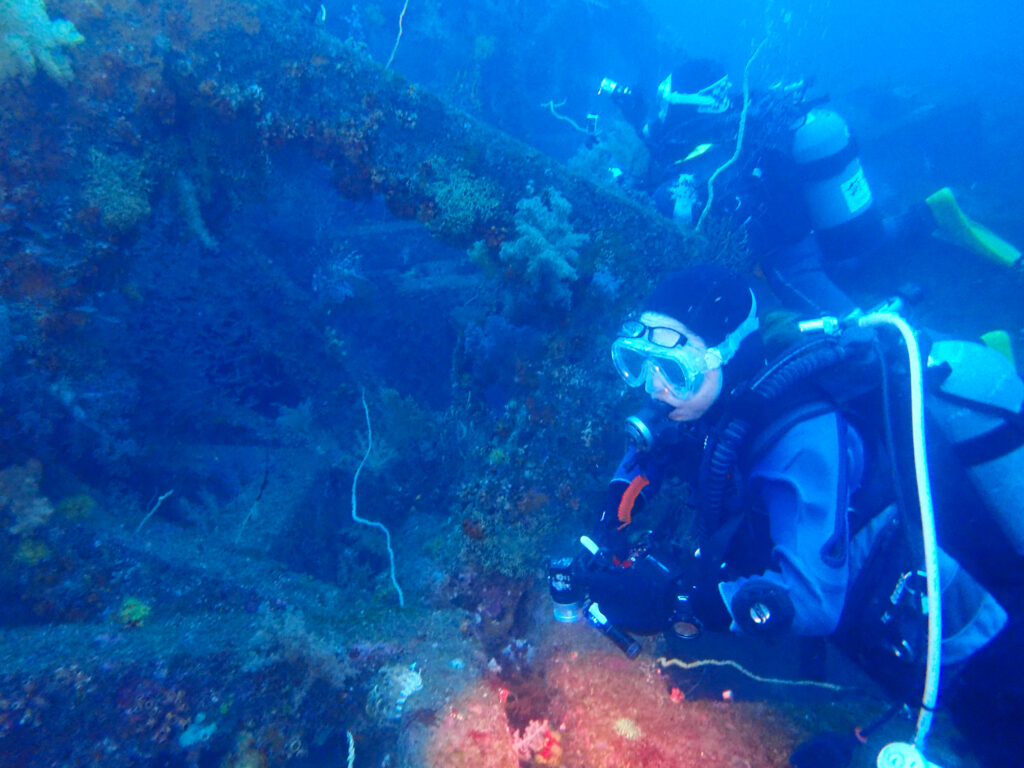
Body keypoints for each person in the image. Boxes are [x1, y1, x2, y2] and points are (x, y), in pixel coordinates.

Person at [552, 264, 1024, 767]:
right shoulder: (711, 403)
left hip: (974, 647)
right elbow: (654, 446)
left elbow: (813, 599)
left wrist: (676, 601)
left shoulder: (800, 435)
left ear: (728, 356)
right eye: (637, 363)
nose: (653, 387)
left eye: (673, 371)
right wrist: (616, 508)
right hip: (889, 634)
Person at [599, 59, 1021, 318]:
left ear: (690, 107)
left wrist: (649, 195)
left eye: (666, 104)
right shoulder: (741, 114)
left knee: (845, 323)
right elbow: (665, 141)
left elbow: (700, 209)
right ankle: (926, 215)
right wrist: (633, 112)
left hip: (790, 253)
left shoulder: (717, 161)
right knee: (860, 245)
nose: (662, 112)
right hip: (815, 218)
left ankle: (915, 349)